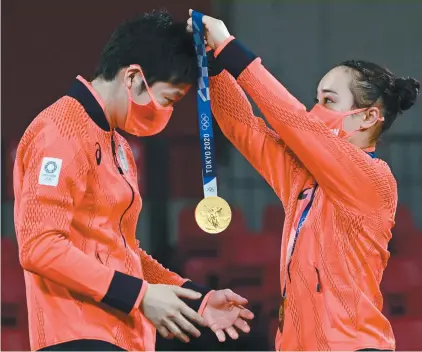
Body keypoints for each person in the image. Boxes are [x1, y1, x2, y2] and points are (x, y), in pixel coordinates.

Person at [13, 10, 253, 352]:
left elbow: (125, 253)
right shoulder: (58, 132)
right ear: (134, 79)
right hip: (76, 336)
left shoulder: (120, 145)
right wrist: (140, 295)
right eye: (168, 99)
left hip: (123, 335)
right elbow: (39, 246)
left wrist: (197, 298)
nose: (167, 113)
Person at [187, 10, 420, 352]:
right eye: (316, 99)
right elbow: (243, 126)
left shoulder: (374, 179)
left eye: (328, 100)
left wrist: (230, 48)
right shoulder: (302, 175)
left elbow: (292, 121)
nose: (315, 111)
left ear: (369, 117)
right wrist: (214, 65)